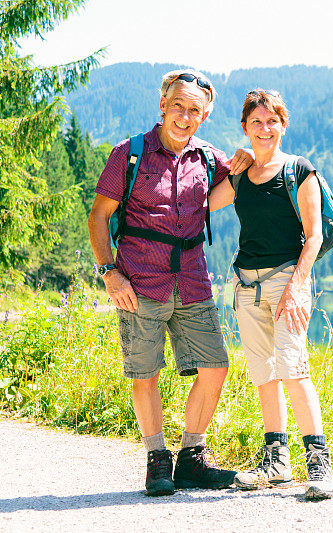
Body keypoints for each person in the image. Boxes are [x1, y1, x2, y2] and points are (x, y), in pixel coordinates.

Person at [87, 69, 254, 497]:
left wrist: (245, 162)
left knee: (215, 367)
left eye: (194, 110)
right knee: (144, 373)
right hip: (139, 281)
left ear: (205, 116)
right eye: (177, 105)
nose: (184, 115)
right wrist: (109, 272)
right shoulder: (129, 153)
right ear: (163, 105)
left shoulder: (207, 158)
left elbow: (236, 183)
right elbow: (99, 216)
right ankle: (156, 460)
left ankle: (191, 460)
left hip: (194, 280)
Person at [208, 89, 333, 500]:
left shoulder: (299, 171)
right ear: (244, 127)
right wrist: (230, 165)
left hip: (286, 280)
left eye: (272, 121)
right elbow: (206, 205)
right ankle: (276, 461)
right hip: (245, 283)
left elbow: (313, 237)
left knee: (293, 368)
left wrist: (297, 288)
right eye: (256, 122)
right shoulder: (241, 174)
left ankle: (319, 462)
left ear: (283, 125)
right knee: (264, 372)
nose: (265, 129)